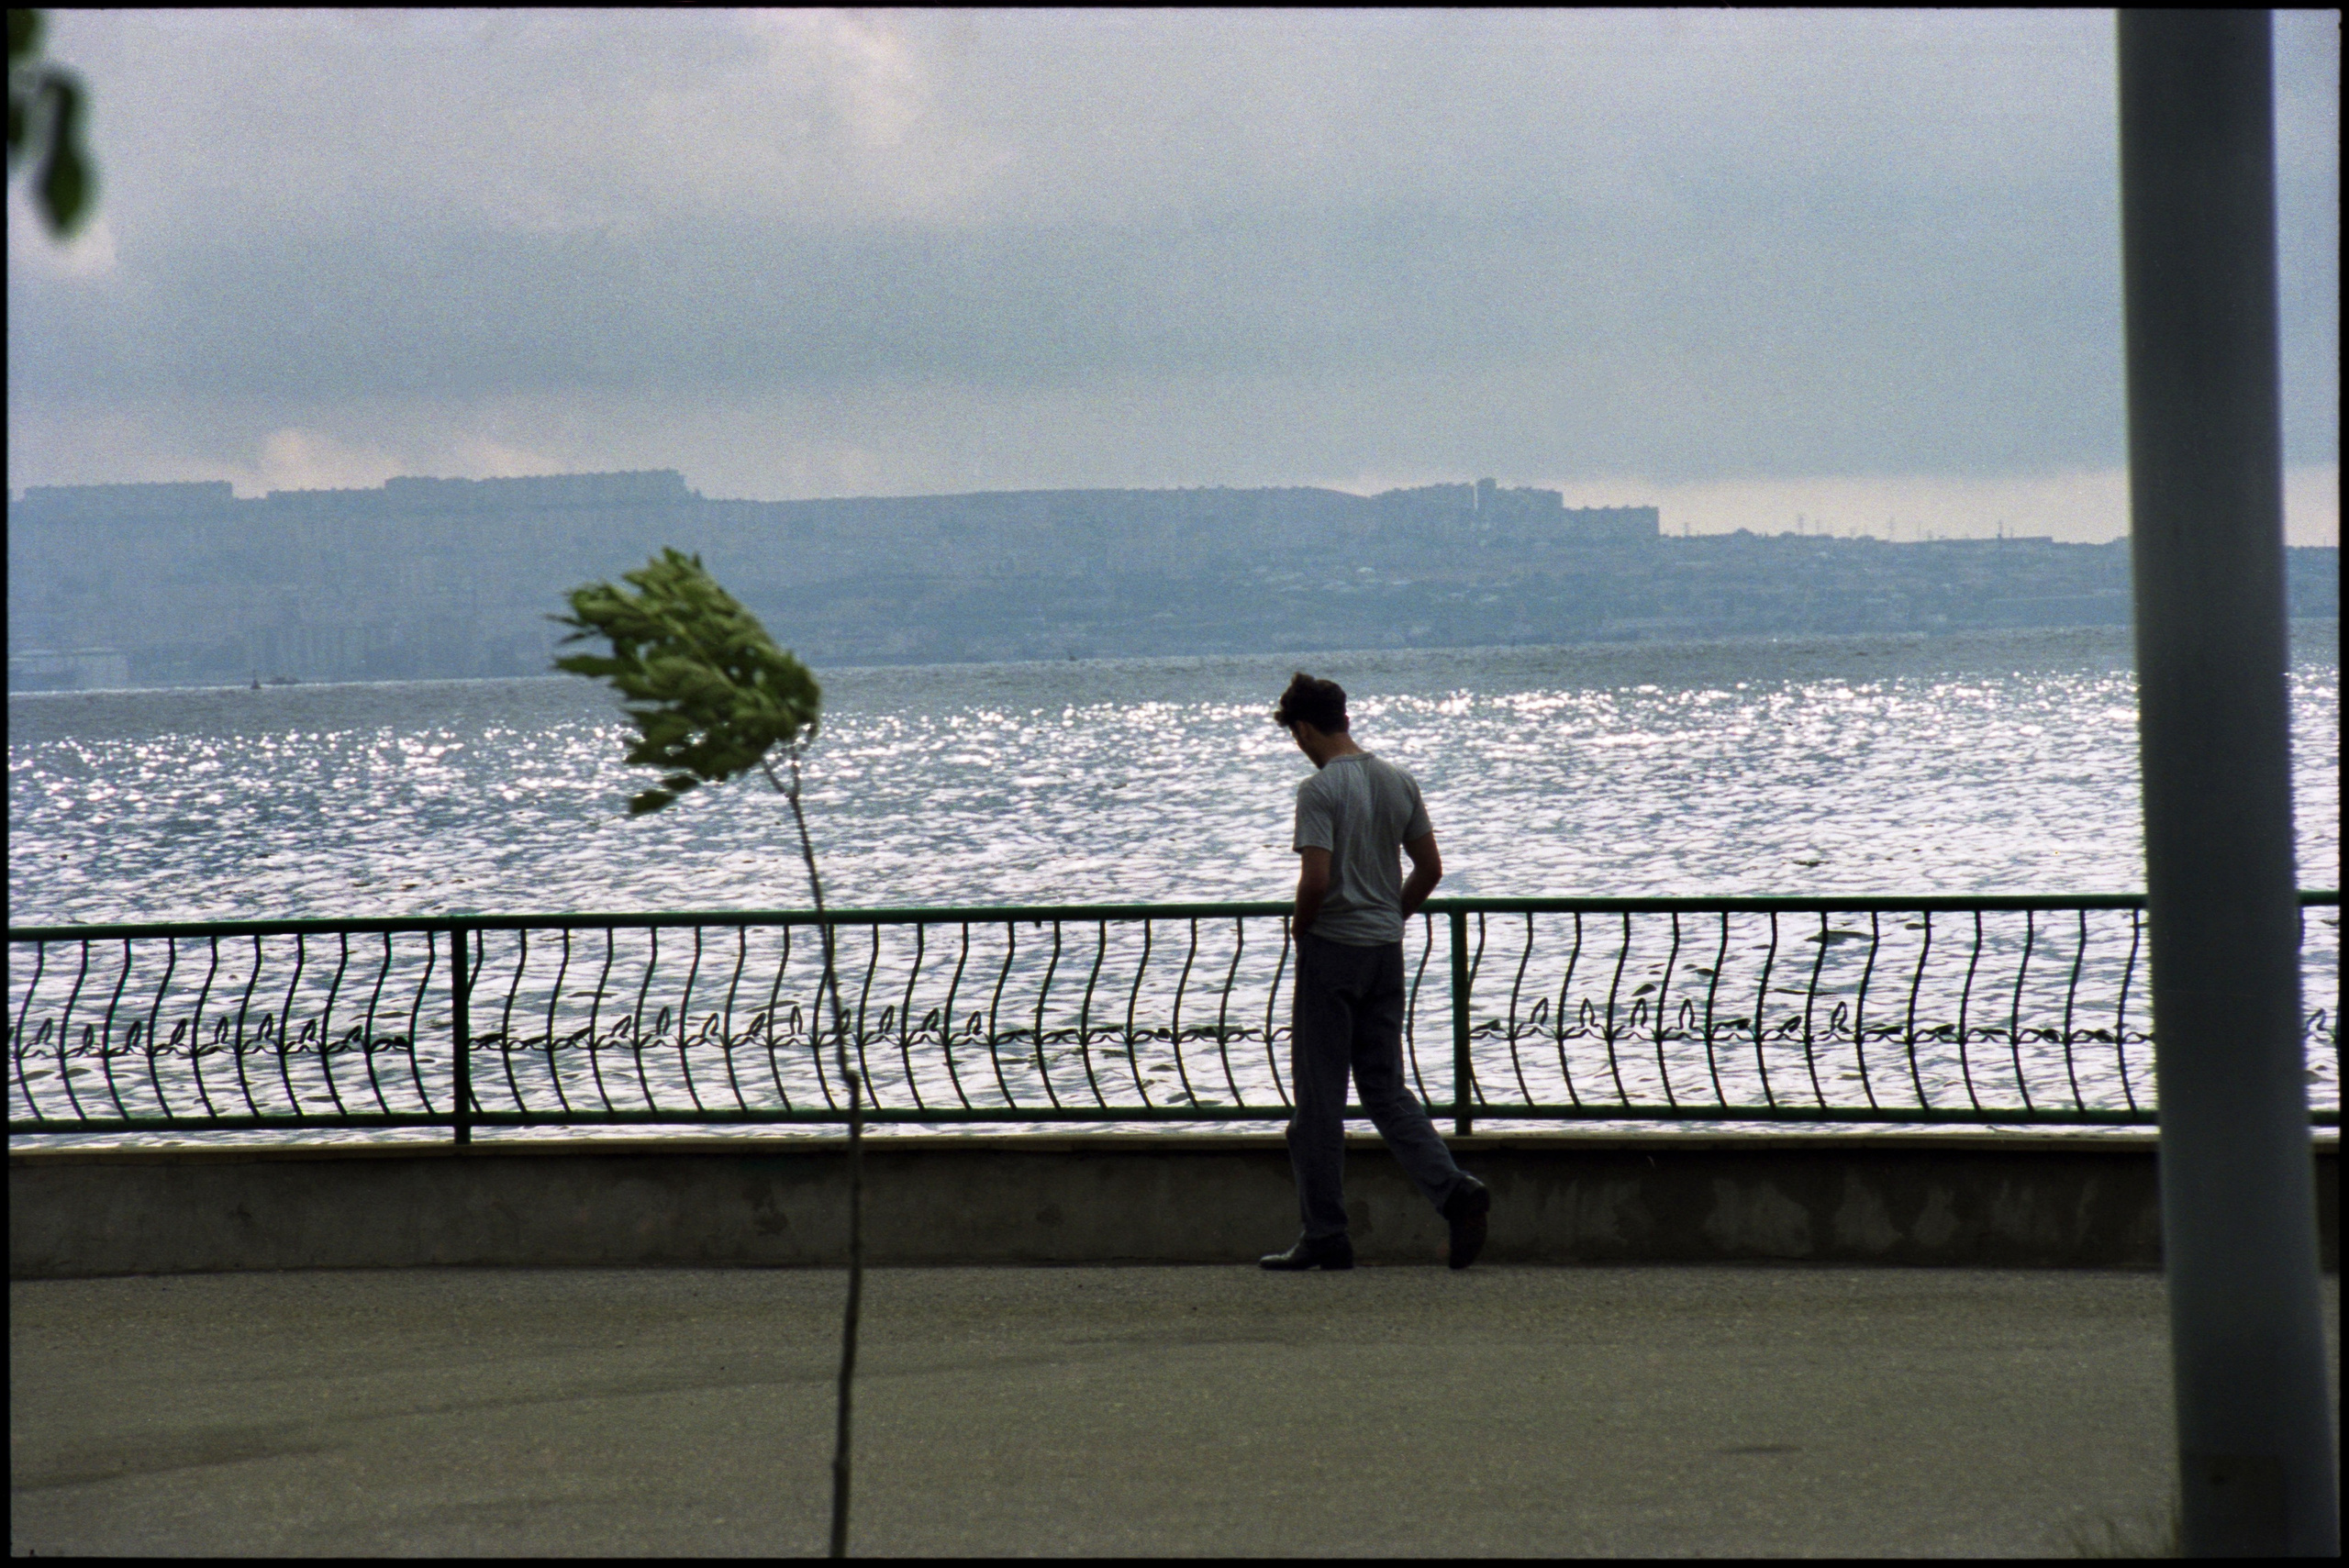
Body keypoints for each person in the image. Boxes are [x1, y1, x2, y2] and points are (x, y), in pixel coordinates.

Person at [1260, 672, 1490, 1272]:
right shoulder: (1398, 781)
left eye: (1295, 735)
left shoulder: (1319, 790)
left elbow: (1314, 878)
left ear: (1305, 728)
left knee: (1318, 1102)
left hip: (1333, 950)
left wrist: (1300, 927)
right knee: (1384, 1088)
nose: (1299, 745)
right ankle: (1455, 1190)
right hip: (1385, 952)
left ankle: (1326, 1235)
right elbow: (1430, 868)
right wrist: (1391, 914)